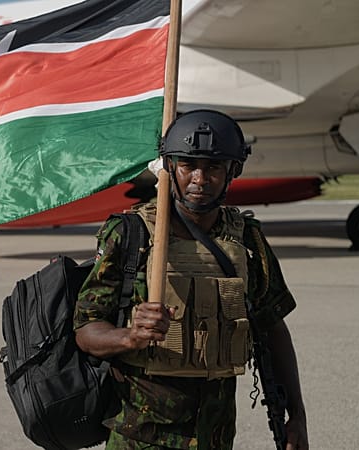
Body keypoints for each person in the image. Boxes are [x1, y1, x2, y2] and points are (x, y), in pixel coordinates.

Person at [74, 110, 308, 449]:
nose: (200, 178)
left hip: (215, 435)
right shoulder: (131, 234)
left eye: (213, 167)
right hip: (140, 436)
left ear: (233, 171)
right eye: (188, 165)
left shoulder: (247, 240)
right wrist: (129, 337)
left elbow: (273, 327)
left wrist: (296, 416)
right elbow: (85, 329)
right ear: (171, 168)